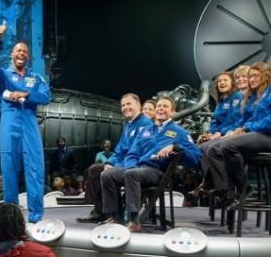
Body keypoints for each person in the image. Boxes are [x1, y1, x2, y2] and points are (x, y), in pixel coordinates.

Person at [199, 51, 271, 210]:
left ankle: (243, 189)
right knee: (214, 147)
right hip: (258, 134)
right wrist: (241, 129)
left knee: (227, 146)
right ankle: (226, 191)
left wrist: (247, 128)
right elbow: (255, 116)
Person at [99, 95, 201, 232]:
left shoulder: (179, 132)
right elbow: (132, 154)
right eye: (159, 106)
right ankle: (115, 217)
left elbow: (195, 156)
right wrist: (131, 167)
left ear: (172, 112)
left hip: (158, 172)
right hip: (138, 169)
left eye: (165, 106)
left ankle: (133, 220)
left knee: (131, 174)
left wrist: (175, 146)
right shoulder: (145, 131)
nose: (161, 109)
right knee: (107, 175)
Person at [0, 21, 51, 223]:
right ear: (12, 55)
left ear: (28, 56)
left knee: (35, 167)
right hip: (9, 120)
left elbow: (46, 97)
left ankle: (36, 216)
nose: (21, 53)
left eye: (24, 51)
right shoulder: (3, 75)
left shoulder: (36, 78)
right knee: (9, 166)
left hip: (29, 122)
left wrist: (25, 94)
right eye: (17, 51)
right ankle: (11, 215)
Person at [77, 94, 154, 223]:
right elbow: (119, 151)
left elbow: (137, 153)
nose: (125, 107)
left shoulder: (146, 124)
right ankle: (100, 210)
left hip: (135, 166)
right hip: (122, 163)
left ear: (138, 105)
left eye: (128, 104)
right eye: (123, 105)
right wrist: (109, 162)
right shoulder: (128, 126)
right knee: (92, 170)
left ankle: (111, 213)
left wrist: (116, 165)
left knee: (98, 171)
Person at [196, 72, 241, 144]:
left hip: (229, 132)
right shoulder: (220, 101)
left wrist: (219, 133)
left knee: (208, 148)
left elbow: (231, 120)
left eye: (225, 80)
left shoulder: (236, 97)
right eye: (219, 81)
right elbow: (215, 121)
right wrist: (209, 133)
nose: (222, 83)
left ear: (232, 83)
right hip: (219, 134)